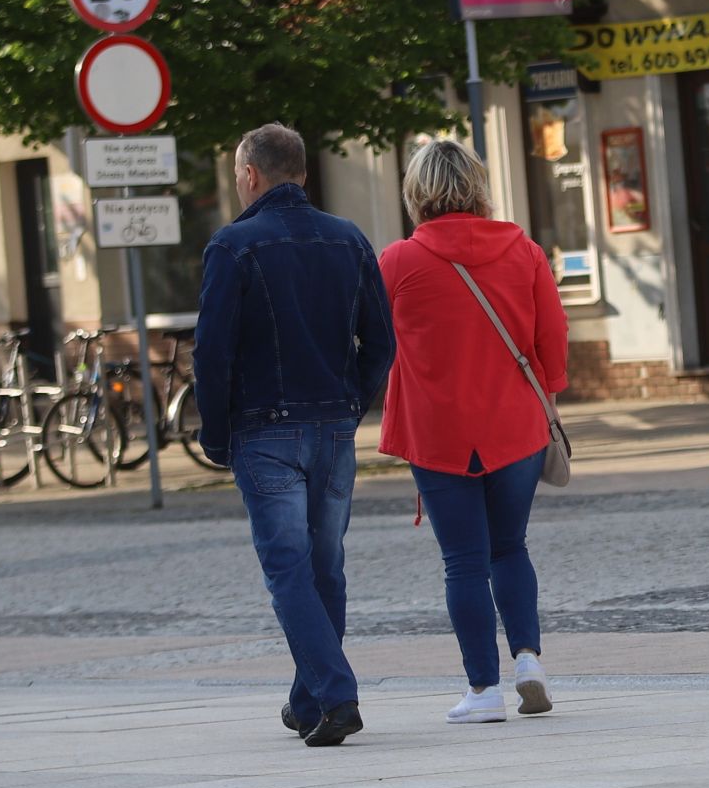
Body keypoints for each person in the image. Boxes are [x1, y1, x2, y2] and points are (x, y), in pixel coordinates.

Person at [194, 123, 395, 747]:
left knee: (288, 569)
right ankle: (308, 698)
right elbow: (382, 341)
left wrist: (217, 434)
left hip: (265, 429)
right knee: (325, 567)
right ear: (302, 173)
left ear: (250, 174)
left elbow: (212, 352)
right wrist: (352, 403)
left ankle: (336, 697)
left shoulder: (233, 246)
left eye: (235, 175)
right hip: (334, 427)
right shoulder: (348, 239)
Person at [378, 140, 568, 725]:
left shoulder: (397, 262)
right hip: (516, 425)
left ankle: (483, 690)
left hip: (438, 433)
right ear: (479, 187)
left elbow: (370, 341)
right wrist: (549, 394)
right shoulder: (525, 251)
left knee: (463, 561)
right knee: (510, 547)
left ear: (416, 193)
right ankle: (529, 660)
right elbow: (552, 339)